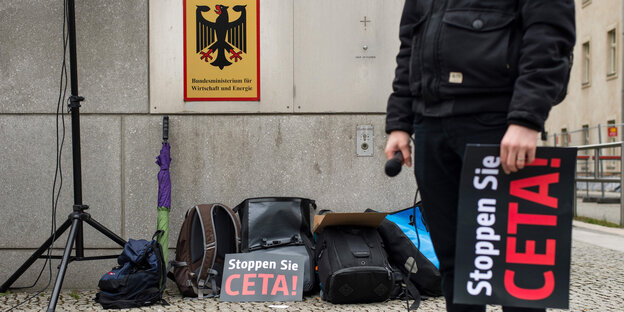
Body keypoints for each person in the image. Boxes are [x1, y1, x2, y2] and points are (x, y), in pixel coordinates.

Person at [384, 1, 576, 312]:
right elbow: (410, 45)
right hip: (431, 124)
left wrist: (526, 118)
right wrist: (399, 122)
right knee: (455, 264)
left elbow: (549, 35)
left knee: (518, 269)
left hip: (498, 124)